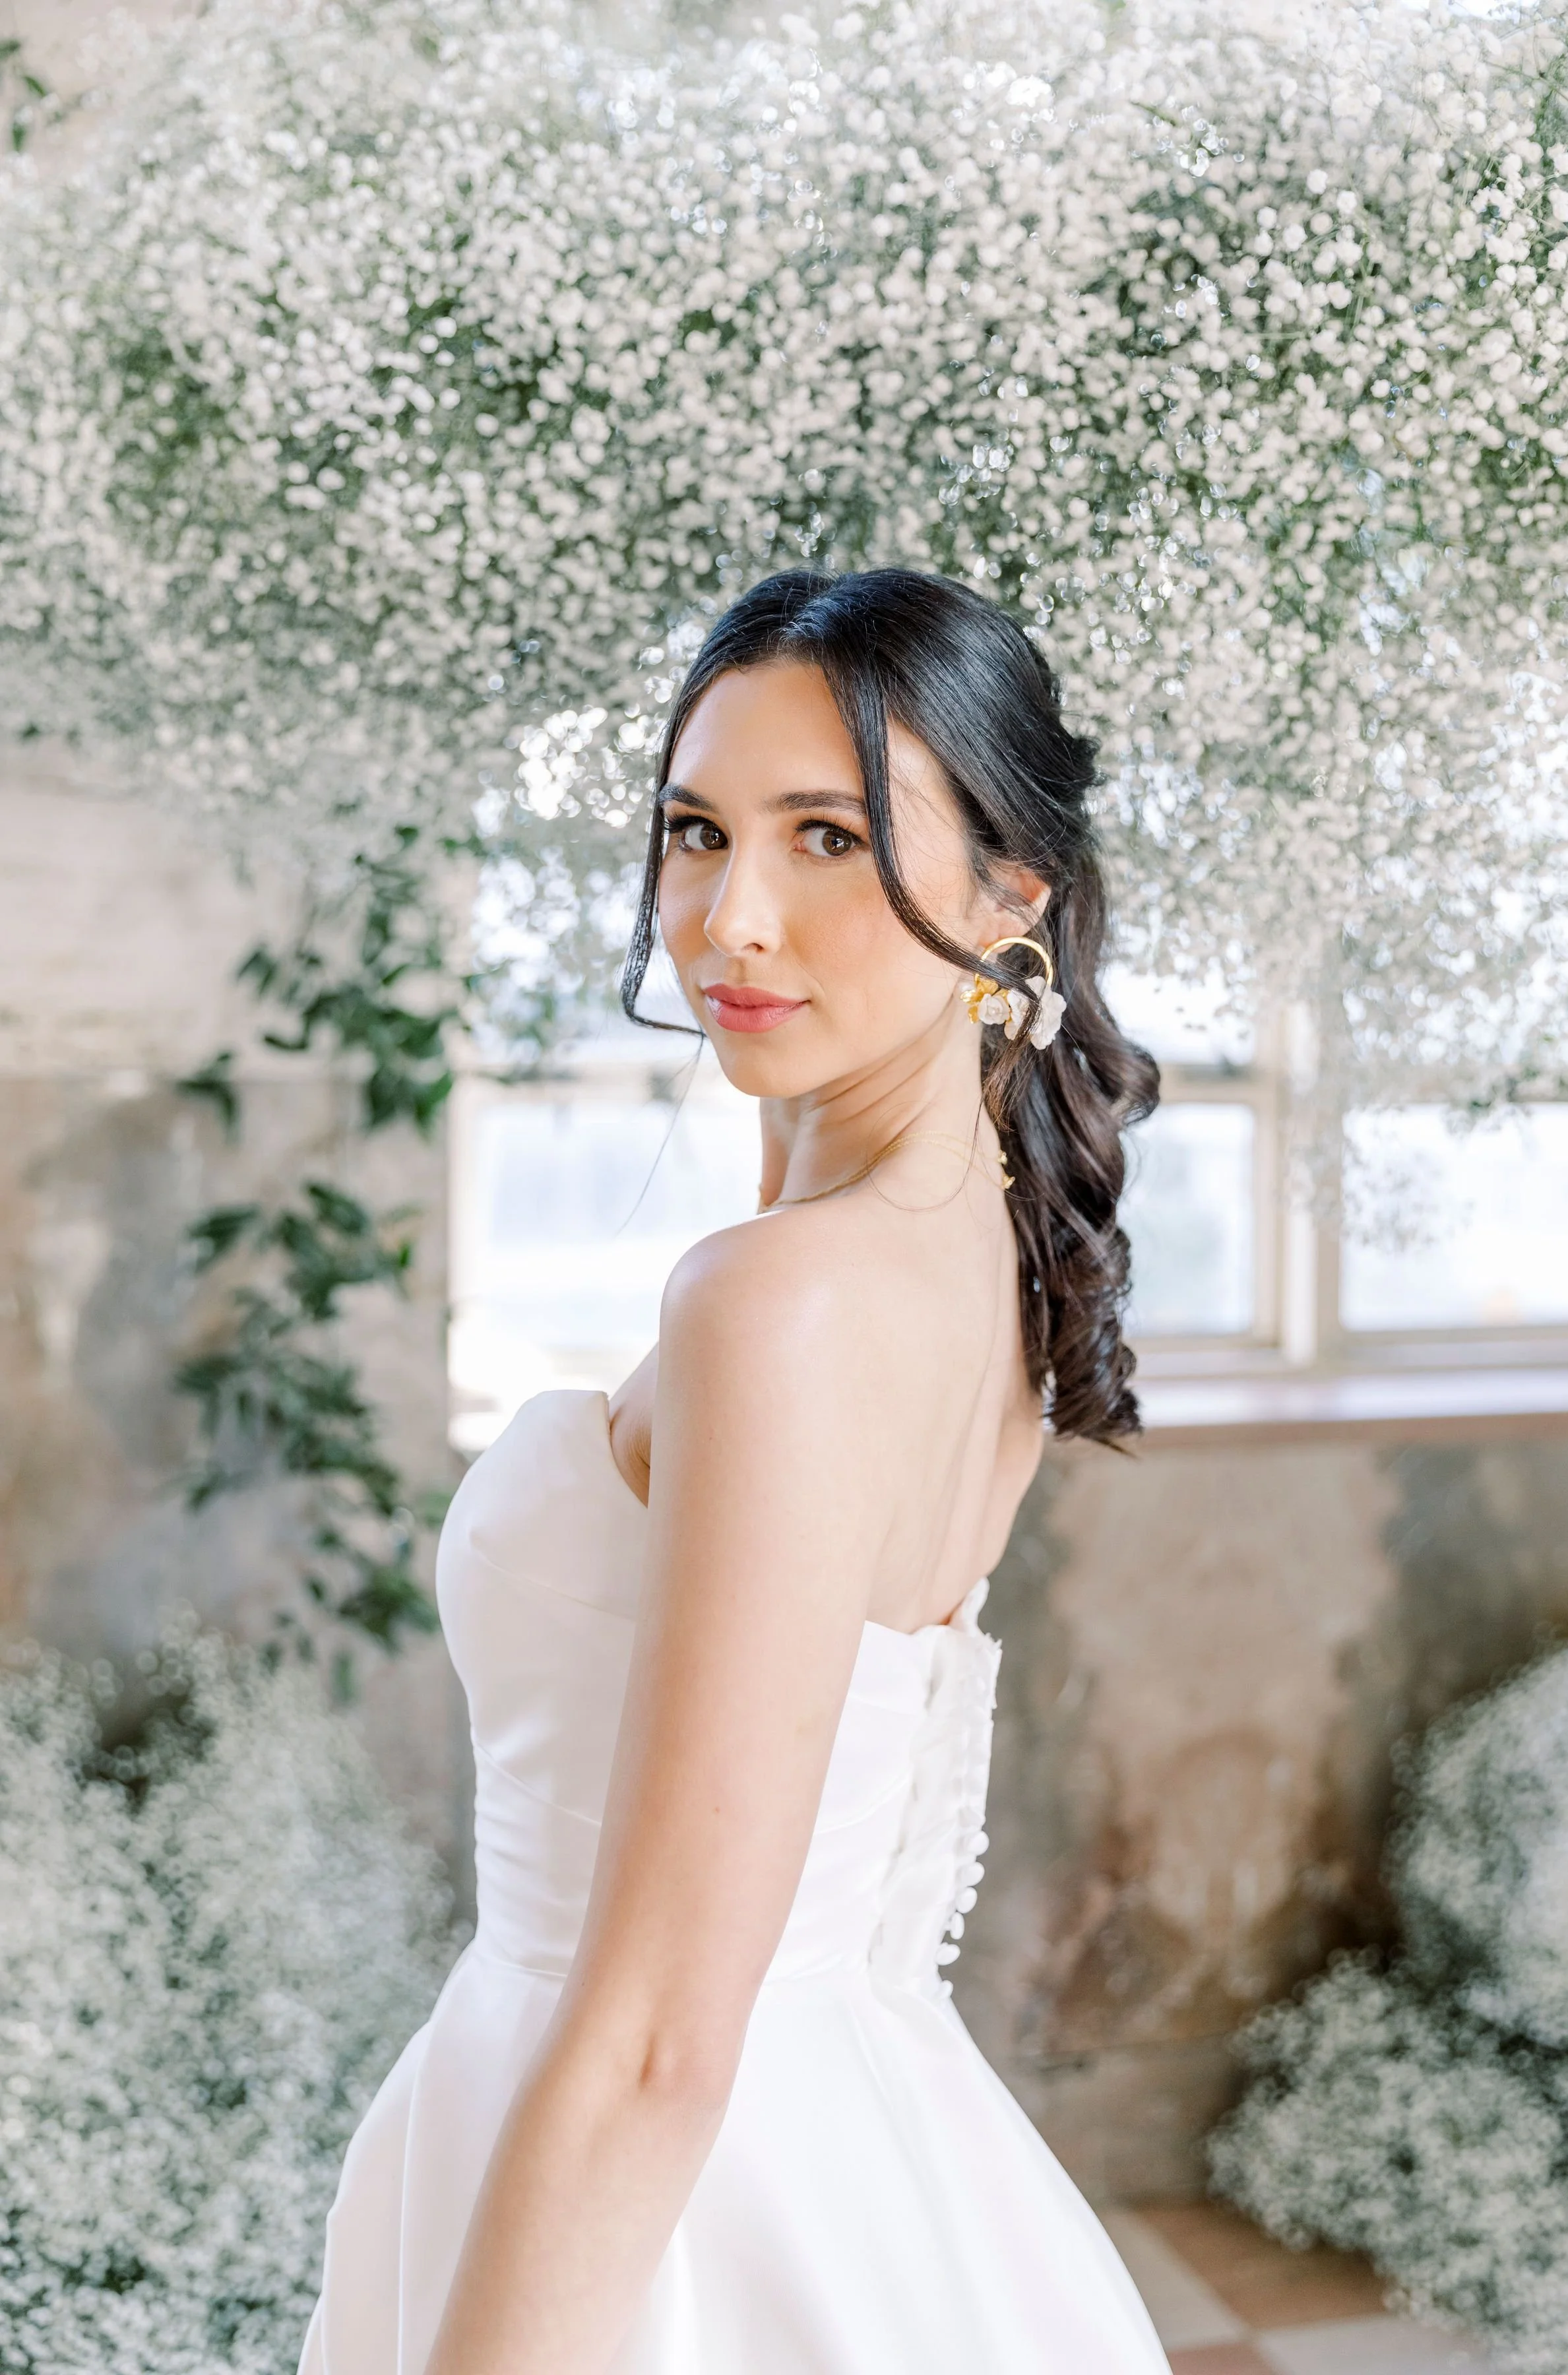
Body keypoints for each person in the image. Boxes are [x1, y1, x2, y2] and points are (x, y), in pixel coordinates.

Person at [298, 568, 1168, 2374]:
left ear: (1017, 899)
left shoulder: (778, 1309)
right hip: (860, 2155)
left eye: (831, 838)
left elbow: (655, 2044)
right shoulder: (970, 1247)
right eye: (697, 831)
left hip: (670, 2220)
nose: (730, 917)